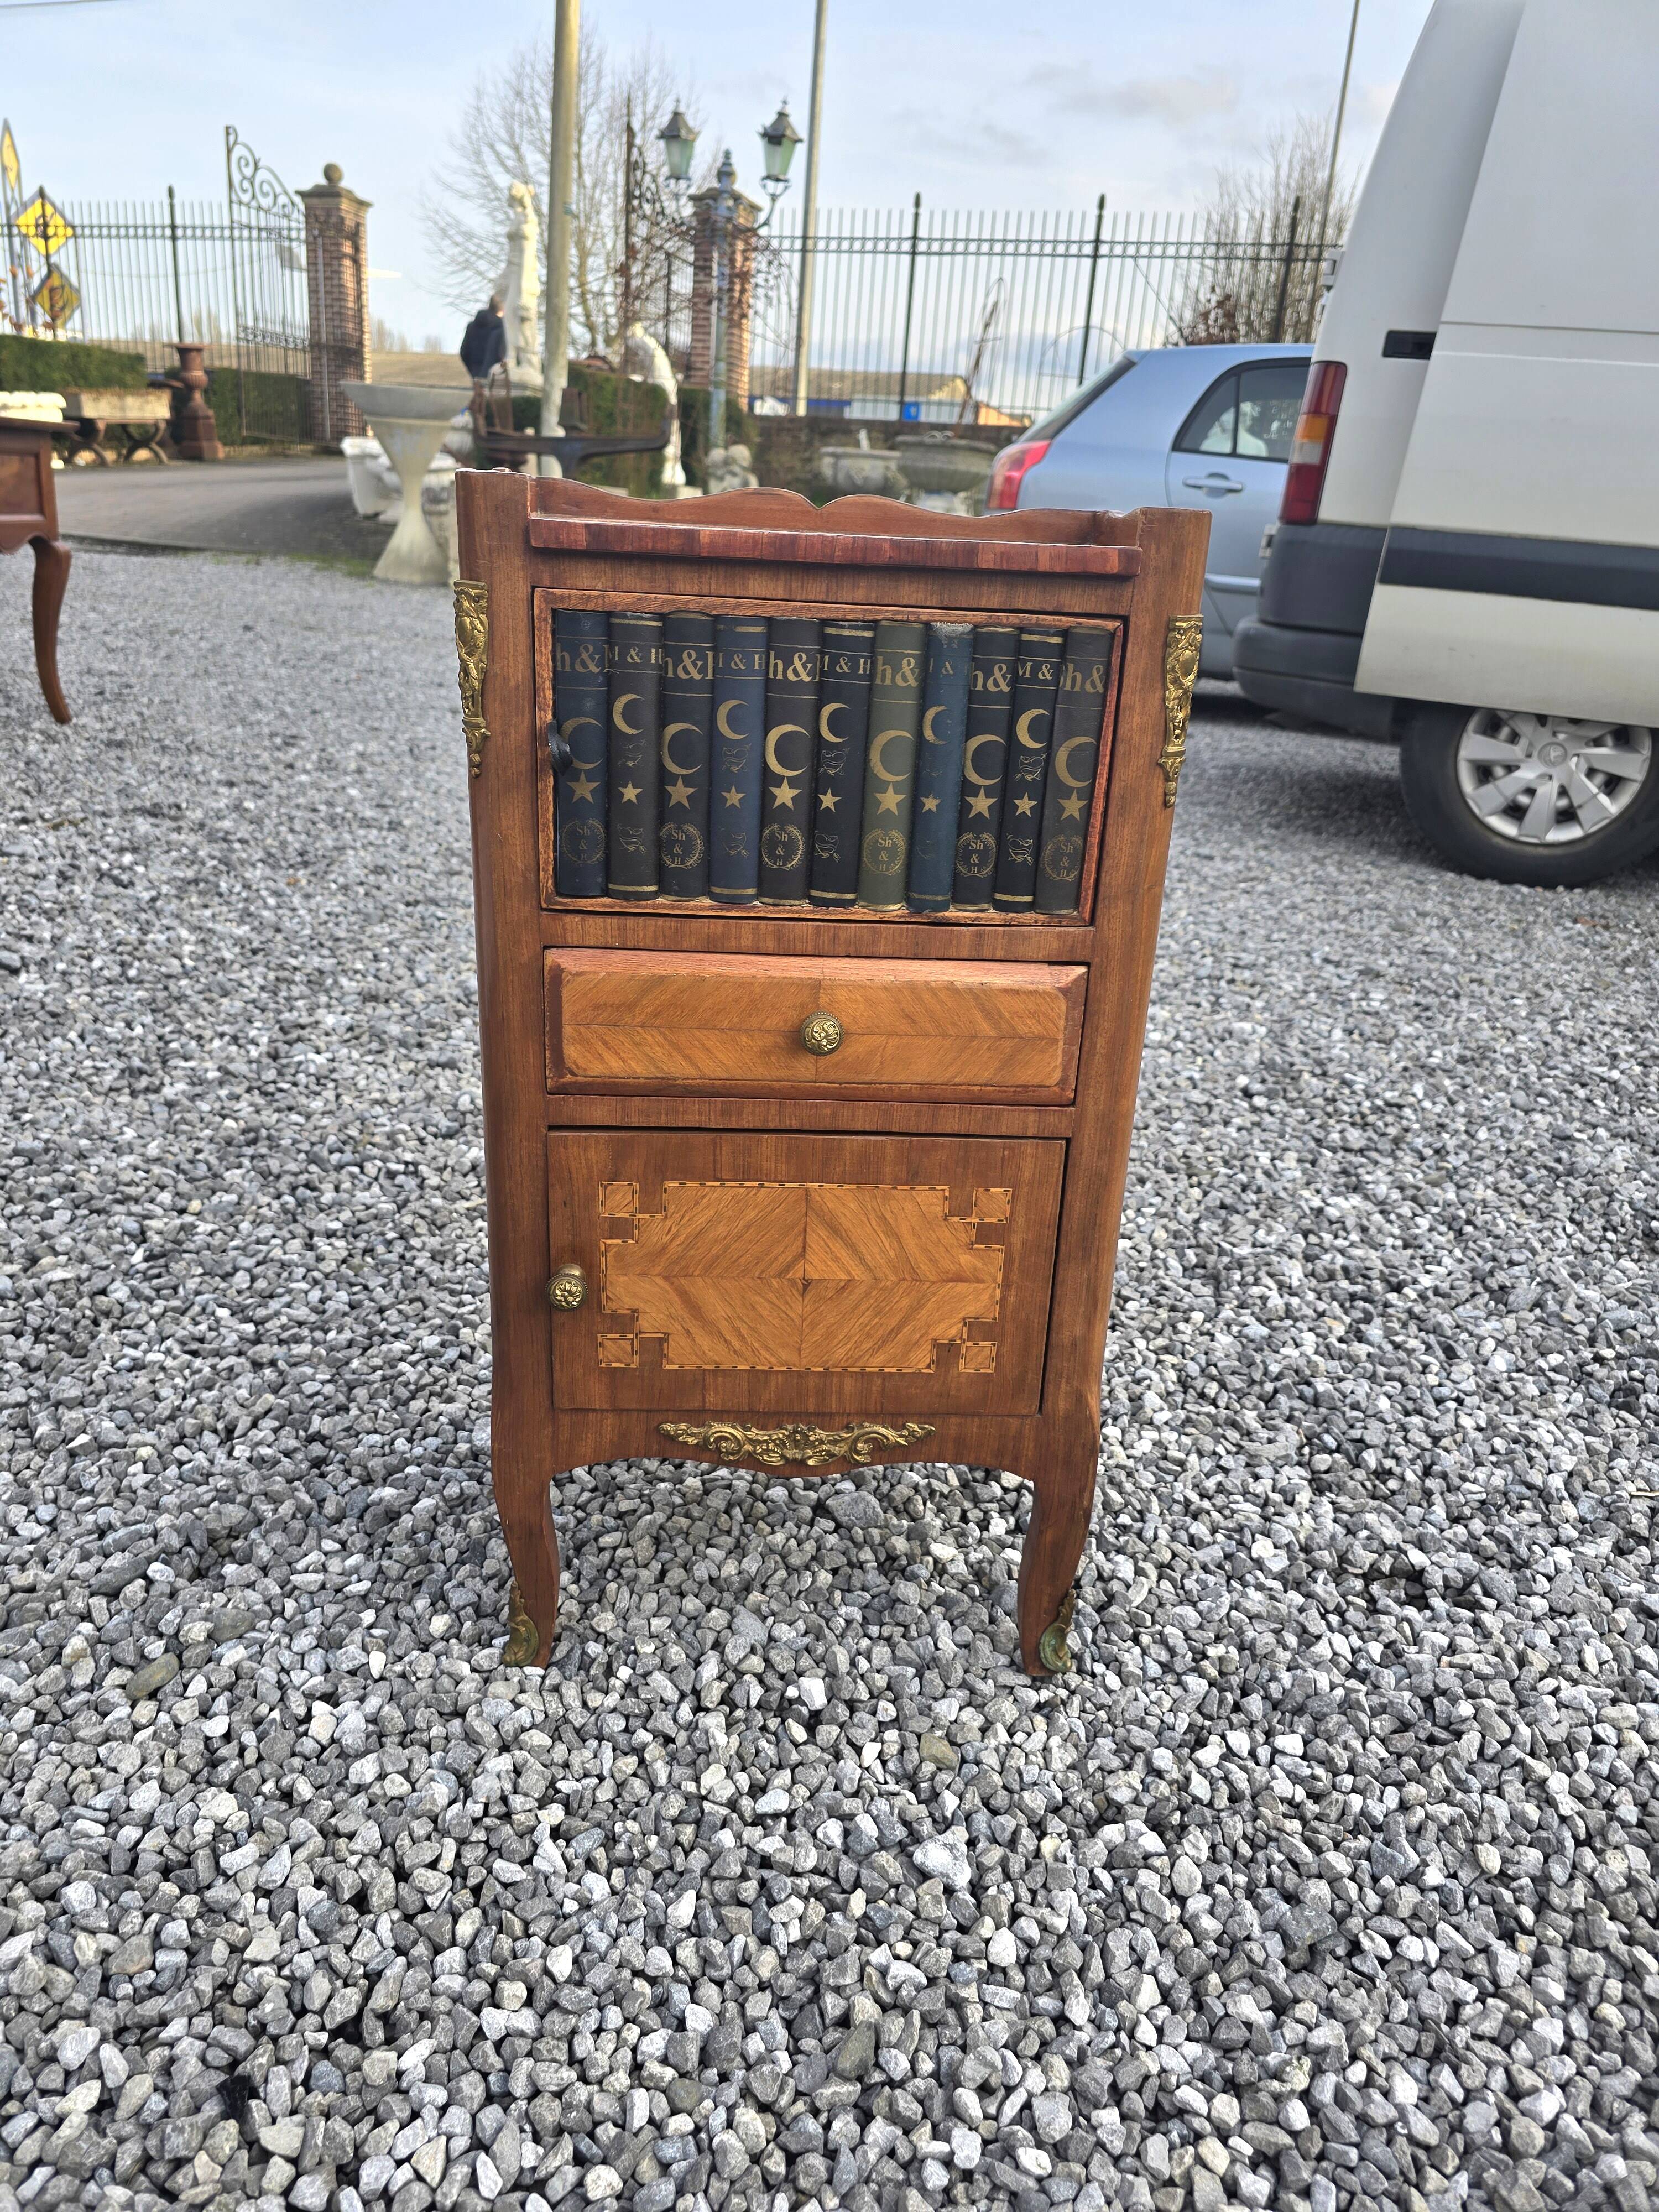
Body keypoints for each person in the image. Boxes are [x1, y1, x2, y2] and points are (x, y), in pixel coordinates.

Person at [460, 294, 507, 387]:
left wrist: (473, 370)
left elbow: (464, 352)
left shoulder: (472, 326)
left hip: (475, 373)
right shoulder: (503, 329)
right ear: (503, 309)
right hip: (494, 376)